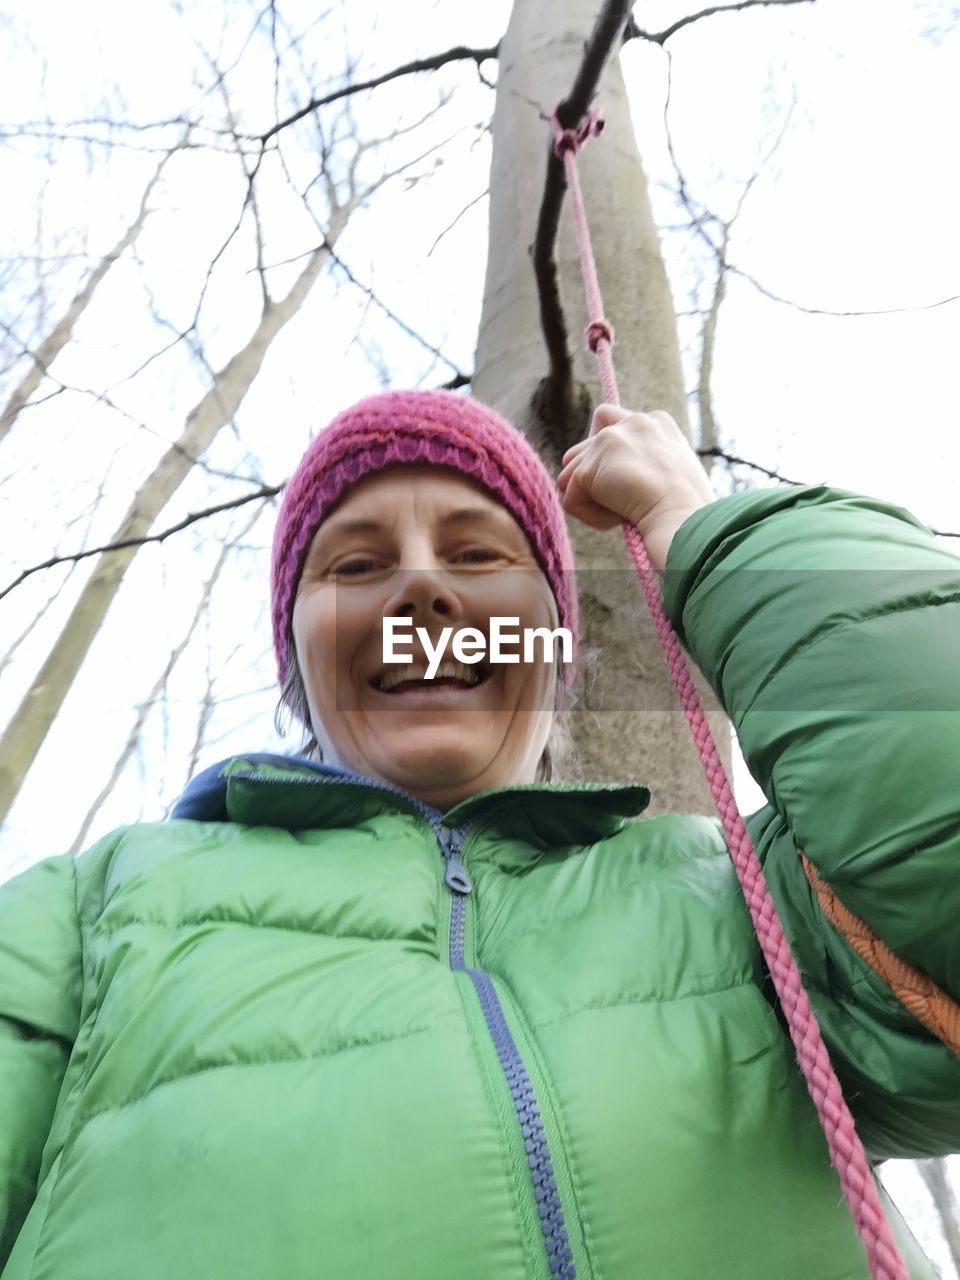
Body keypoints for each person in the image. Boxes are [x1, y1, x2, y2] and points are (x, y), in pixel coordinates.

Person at [1, 388, 958, 1280]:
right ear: (298, 660)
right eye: (357, 564)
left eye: (479, 556)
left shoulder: (746, 895)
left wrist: (703, 530)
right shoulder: (90, 910)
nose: (420, 589)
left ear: (552, 645)